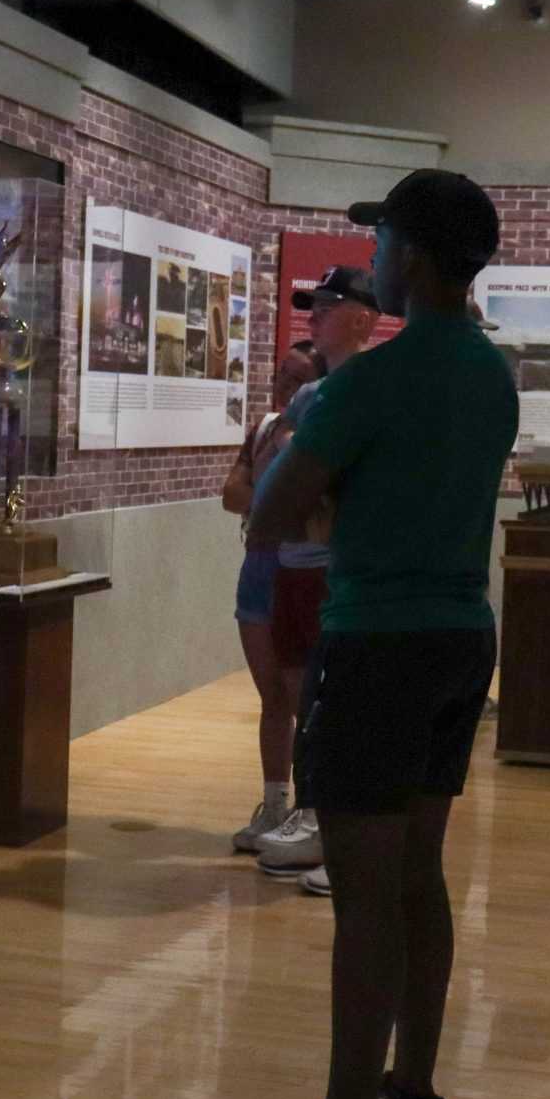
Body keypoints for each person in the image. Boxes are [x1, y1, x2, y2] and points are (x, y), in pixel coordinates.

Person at [214, 169, 517, 1099]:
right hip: (460, 637)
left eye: (382, 240)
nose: (371, 258)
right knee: (419, 872)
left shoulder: (364, 385)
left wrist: (331, 505)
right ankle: (413, 1092)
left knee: (362, 894)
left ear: (414, 259)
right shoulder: (492, 374)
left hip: (376, 642)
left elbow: (264, 515)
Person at [250, 266, 381, 888]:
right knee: (310, 699)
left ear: (362, 316)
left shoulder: (379, 385)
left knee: (341, 703)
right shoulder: (309, 398)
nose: (313, 316)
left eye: (327, 306)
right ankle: (314, 818)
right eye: (314, 305)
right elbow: (273, 471)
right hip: (297, 563)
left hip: (344, 568)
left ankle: (341, 834)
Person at [227, 340, 326, 853]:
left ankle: (310, 811)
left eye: (297, 377)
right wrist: (275, 502)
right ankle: (274, 802)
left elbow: (301, 505)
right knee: (272, 699)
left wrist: (269, 501)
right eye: (281, 375)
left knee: (303, 697)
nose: (284, 386)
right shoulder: (264, 430)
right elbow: (232, 495)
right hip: (259, 565)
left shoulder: (316, 435)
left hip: (302, 567)